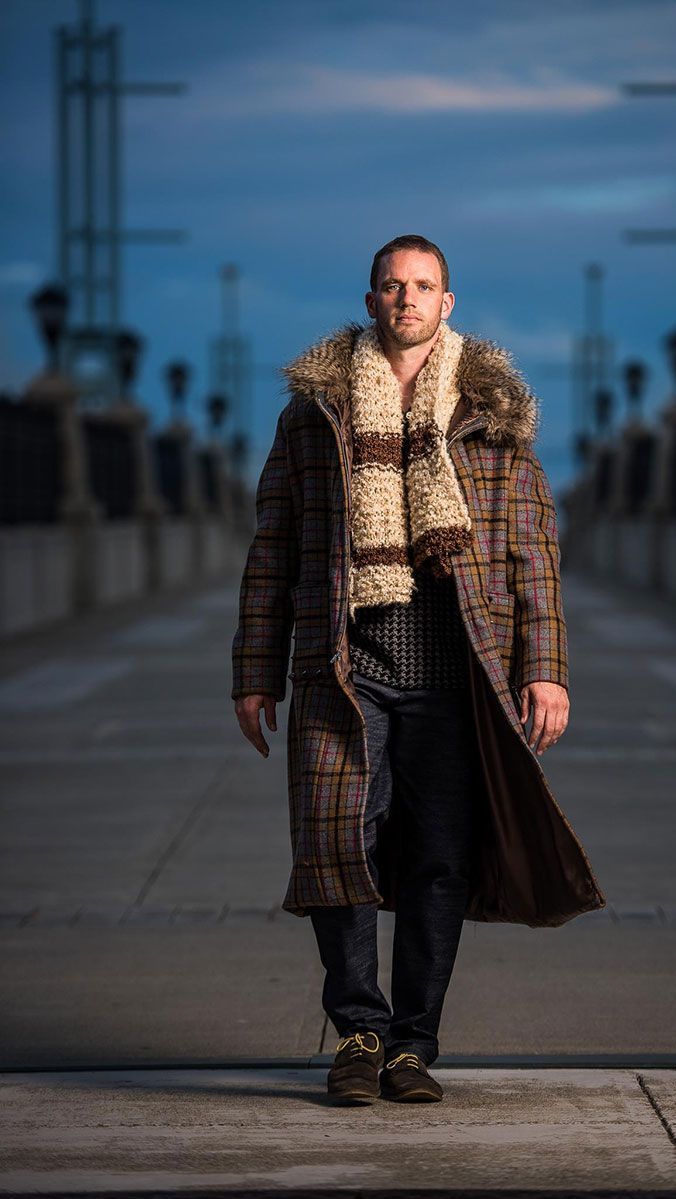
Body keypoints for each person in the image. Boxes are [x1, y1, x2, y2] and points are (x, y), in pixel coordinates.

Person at [231, 233, 605, 1105]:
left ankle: (411, 1044)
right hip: (341, 666)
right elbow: (273, 547)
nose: (407, 299)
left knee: (438, 861)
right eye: (392, 286)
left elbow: (531, 552)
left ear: (448, 303)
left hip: (457, 678)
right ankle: (357, 1031)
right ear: (370, 301)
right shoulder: (313, 412)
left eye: (423, 286)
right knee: (336, 850)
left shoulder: (493, 414)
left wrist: (543, 668)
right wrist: (255, 670)